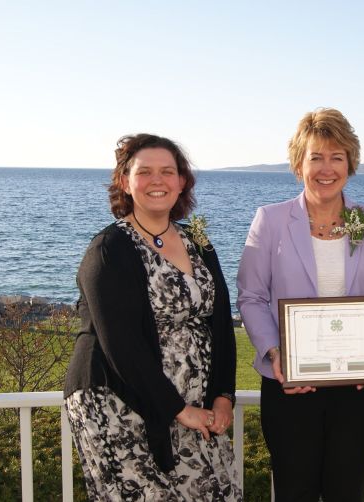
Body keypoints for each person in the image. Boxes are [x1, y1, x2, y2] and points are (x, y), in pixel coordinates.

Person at [64, 134, 241, 501]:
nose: (157, 181)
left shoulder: (199, 243)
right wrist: (177, 409)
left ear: (181, 182)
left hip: (194, 407)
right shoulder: (109, 250)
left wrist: (223, 394)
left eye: (167, 171)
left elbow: (221, 323)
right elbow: (121, 345)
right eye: (144, 172)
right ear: (125, 182)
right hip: (120, 403)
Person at [237, 108, 364, 501]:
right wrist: (275, 352)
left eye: (337, 157)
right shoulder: (270, 219)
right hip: (289, 384)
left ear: (350, 163)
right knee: (294, 492)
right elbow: (252, 296)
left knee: (348, 491)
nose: (326, 168)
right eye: (316, 157)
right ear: (298, 164)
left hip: (356, 387)